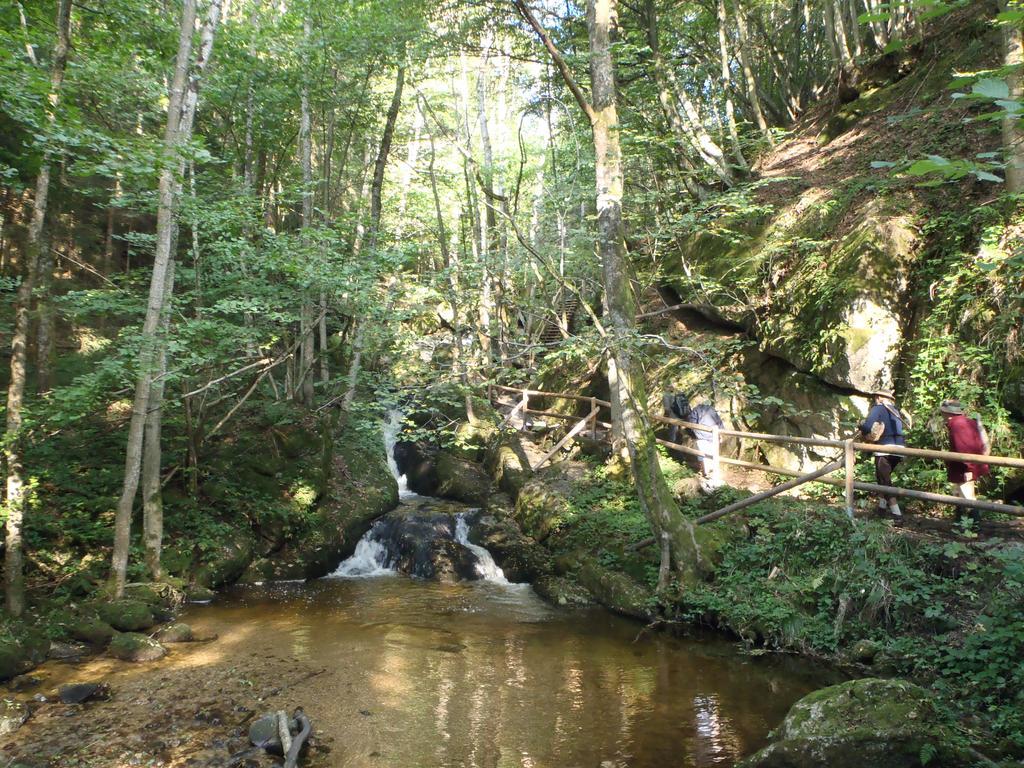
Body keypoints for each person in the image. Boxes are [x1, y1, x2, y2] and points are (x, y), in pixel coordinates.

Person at [939, 399, 990, 522]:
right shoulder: (965, 422)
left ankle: (975, 526)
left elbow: (965, 448)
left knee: (967, 495)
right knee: (958, 492)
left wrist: (969, 469)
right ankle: (959, 523)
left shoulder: (958, 425)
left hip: (965, 467)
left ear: (947, 413)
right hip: (962, 466)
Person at [859, 390, 906, 517]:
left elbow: (868, 426)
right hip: (900, 448)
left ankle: (897, 515)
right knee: (882, 478)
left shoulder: (878, 408)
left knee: (885, 482)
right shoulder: (895, 410)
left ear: (879, 397)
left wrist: (861, 426)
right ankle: (881, 509)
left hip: (884, 448)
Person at [664, 391, 724, 492]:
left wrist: (689, 433)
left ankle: (706, 472)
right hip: (713, 436)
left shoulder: (695, 411)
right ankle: (713, 472)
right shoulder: (711, 409)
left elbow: (692, 424)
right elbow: (719, 422)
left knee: (702, 455)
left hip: (701, 436)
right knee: (712, 454)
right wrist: (721, 434)